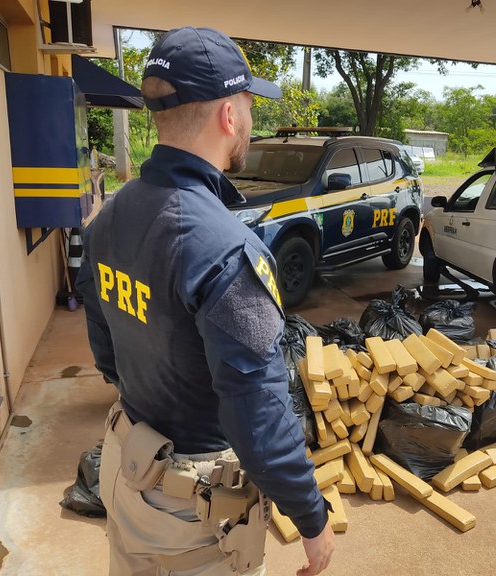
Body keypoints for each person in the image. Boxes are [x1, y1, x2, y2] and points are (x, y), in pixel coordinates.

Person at [85, 27, 335, 576]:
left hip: (128, 471)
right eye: (248, 104)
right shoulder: (225, 249)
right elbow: (257, 413)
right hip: (190, 514)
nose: (251, 119)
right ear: (228, 115)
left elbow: (105, 345)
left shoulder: (110, 216)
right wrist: (311, 519)